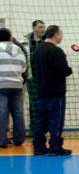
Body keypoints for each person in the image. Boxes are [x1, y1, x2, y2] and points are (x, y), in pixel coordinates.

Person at [31, 25, 73, 156]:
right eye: (61, 34)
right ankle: (55, 147)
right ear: (56, 35)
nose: (62, 36)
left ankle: (38, 147)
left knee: (40, 121)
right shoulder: (56, 51)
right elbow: (64, 70)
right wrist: (69, 70)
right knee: (56, 120)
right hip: (56, 92)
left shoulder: (38, 50)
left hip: (41, 91)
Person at [0, 28, 27, 149]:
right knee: (18, 112)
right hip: (17, 85)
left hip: (1, 85)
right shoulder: (19, 49)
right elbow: (24, 67)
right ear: (10, 37)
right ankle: (19, 139)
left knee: (2, 113)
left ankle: (2, 140)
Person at [24, 20, 46, 135]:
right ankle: (34, 129)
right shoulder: (26, 42)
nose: (42, 29)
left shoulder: (46, 41)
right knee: (33, 104)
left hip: (45, 78)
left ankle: (44, 128)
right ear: (34, 28)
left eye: (43, 27)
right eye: (40, 27)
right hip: (32, 78)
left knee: (45, 103)